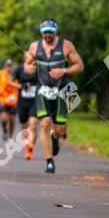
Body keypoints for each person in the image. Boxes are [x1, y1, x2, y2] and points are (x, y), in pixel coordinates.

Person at [24, 19, 84, 174]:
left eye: (50, 31)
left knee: (59, 129)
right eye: (44, 32)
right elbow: (26, 63)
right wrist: (28, 68)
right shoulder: (34, 46)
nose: (47, 35)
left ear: (56, 31)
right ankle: (49, 162)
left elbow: (79, 65)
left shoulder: (66, 46)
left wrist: (64, 71)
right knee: (44, 123)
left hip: (62, 91)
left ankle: (55, 138)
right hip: (43, 90)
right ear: (41, 32)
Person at [12, 60, 39, 160]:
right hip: (22, 102)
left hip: (35, 101)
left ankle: (30, 150)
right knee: (23, 125)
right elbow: (10, 82)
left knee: (33, 125)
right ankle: (25, 138)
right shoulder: (19, 69)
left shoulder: (39, 69)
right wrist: (21, 86)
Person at [0, 58, 19, 141]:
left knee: (12, 120)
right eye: (7, 65)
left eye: (10, 65)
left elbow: (19, 84)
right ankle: (5, 129)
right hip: (3, 99)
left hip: (13, 100)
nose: (9, 67)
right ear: (4, 66)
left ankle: (10, 136)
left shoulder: (15, 74)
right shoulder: (0, 73)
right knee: (4, 119)